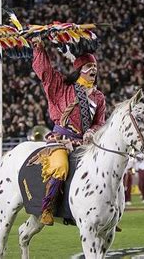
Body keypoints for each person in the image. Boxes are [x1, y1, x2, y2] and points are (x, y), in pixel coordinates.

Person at [31, 38, 106, 225]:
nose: (93, 70)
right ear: (80, 69)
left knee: (103, 168)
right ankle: (47, 208)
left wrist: (92, 132)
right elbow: (45, 72)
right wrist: (39, 48)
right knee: (61, 167)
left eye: (94, 66)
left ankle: (103, 211)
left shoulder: (99, 97)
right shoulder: (62, 87)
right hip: (60, 139)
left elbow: (99, 123)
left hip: (85, 143)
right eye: (89, 66)